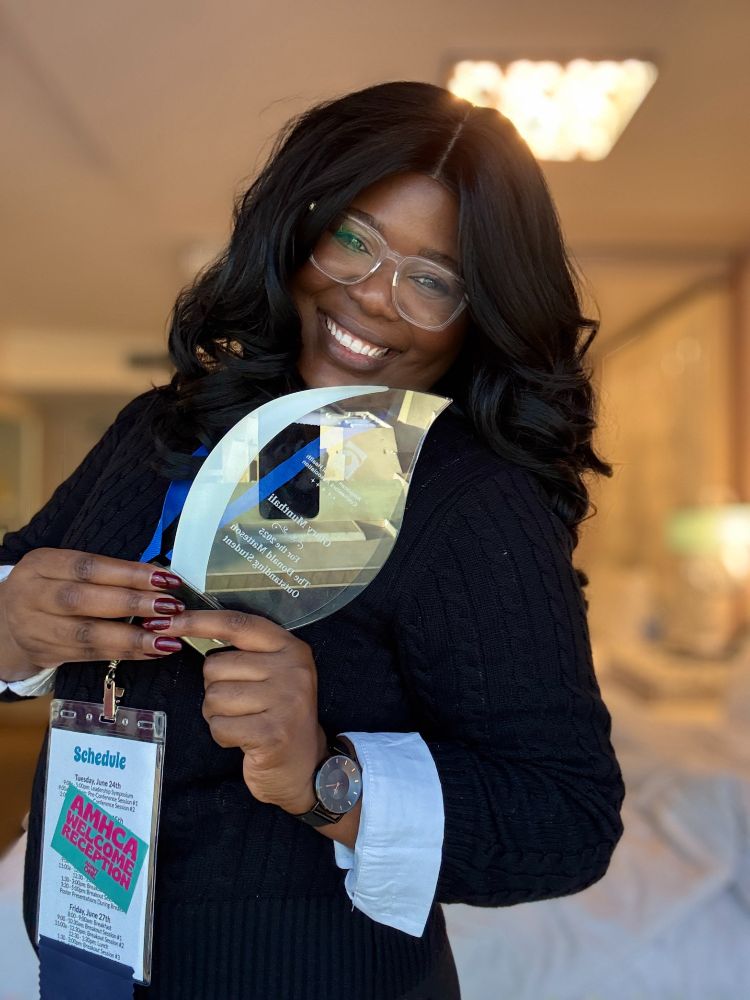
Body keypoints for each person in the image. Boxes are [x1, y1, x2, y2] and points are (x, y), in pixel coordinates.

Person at [0, 81, 624, 1000]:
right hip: (77, 951)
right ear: (300, 227)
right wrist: (14, 621)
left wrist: (329, 775)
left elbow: (567, 820)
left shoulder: (474, 502)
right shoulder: (164, 426)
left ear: (479, 307)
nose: (373, 299)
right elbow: (20, 580)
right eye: (355, 241)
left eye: (433, 278)